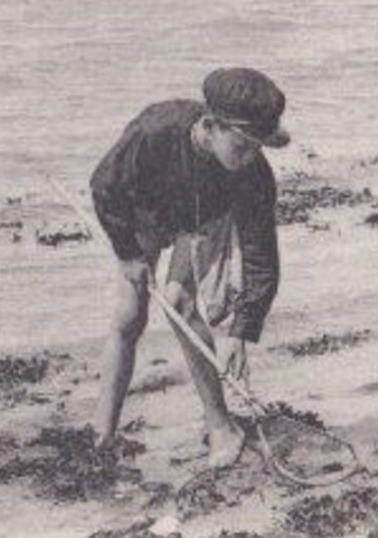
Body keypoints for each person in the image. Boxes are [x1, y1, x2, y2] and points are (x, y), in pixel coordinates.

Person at [89, 67, 289, 467]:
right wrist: (129, 254)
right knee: (129, 318)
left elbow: (262, 257)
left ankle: (221, 427)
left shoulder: (252, 173)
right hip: (144, 211)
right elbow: (104, 187)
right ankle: (102, 434)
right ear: (210, 126)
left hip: (202, 219)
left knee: (178, 304)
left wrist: (241, 331)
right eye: (243, 146)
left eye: (259, 148)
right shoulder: (153, 133)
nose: (251, 157)